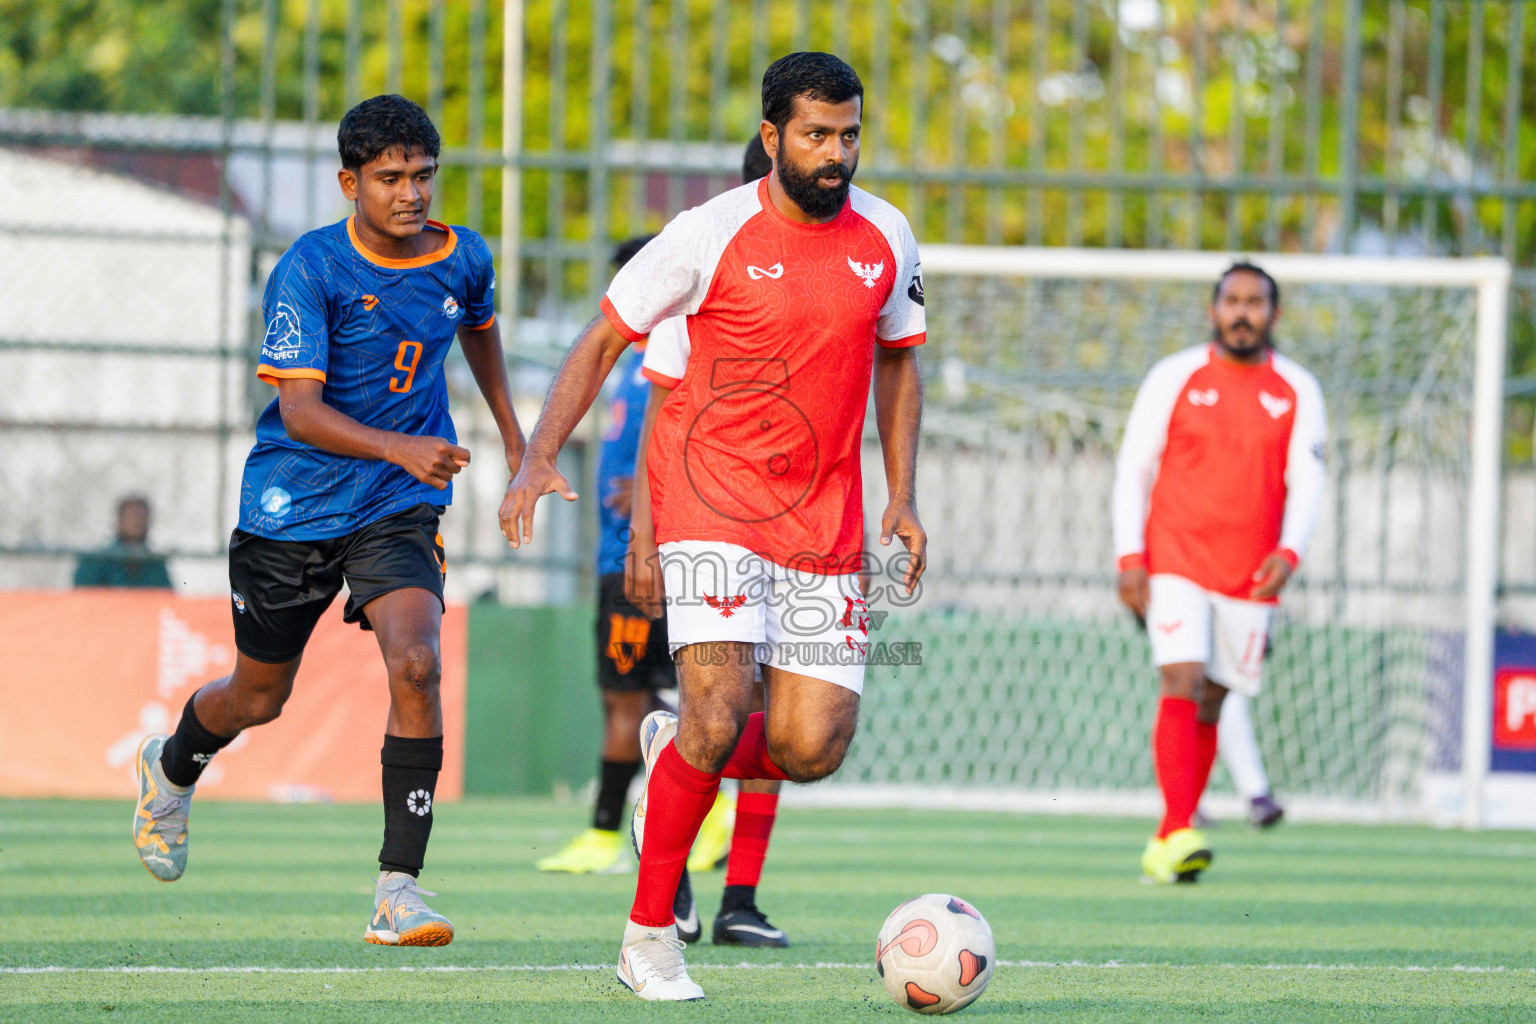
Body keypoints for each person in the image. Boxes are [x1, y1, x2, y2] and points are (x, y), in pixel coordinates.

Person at [500, 52, 927, 1000]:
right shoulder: (704, 233)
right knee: (721, 705)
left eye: (849, 134)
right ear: (773, 137)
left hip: (826, 520)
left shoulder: (888, 235)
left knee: (811, 747)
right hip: (714, 507)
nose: (837, 153)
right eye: (817, 135)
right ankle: (649, 937)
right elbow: (606, 336)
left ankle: (679, 748)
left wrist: (901, 494)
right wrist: (538, 454)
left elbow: (899, 361)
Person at [130, 95, 525, 949]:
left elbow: (481, 336)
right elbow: (301, 412)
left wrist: (522, 449)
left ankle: (398, 887)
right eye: (390, 179)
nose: (411, 194)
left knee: (416, 663)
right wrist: (402, 447)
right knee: (258, 697)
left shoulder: (464, 259)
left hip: (397, 506)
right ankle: (172, 766)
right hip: (292, 503)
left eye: (423, 176)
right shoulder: (309, 269)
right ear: (350, 182)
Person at [1113, 261, 1326, 884]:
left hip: (1250, 575)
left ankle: (1167, 838)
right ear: (1213, 310)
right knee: (1182, 676)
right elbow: (1134, 467)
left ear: (1272, 314)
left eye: (1254, 302)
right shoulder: (1174, 376)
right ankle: (1181, 829)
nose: (1242, 311)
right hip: (1175, 558)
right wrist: (1131, 558)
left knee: (1214, 699)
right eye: (1231, 300)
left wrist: (1289, 554)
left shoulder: (1298, 389)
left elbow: (1308, 482)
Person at [74, 494, 173, 589]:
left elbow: (166, 599)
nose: (136, 522)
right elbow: (81, 597)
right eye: (131, 516)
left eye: (141, 517)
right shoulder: (94, 561)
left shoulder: (155, 565)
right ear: (120, 519)